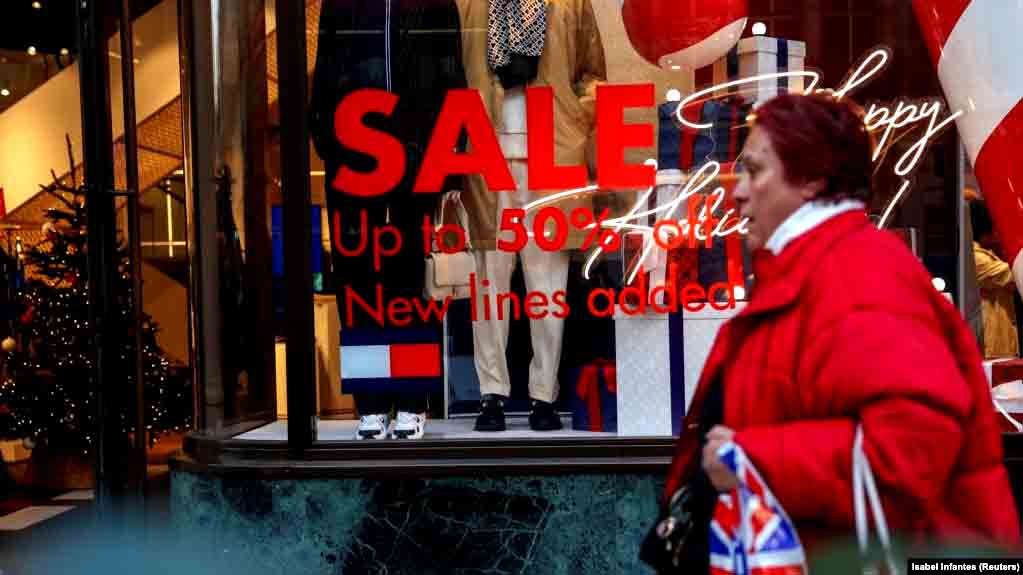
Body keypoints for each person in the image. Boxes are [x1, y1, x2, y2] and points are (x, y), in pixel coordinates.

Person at [661, 93, 1020, 570]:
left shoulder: (860, 275)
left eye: (754, 170)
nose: (737, 191)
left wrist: (750, 458)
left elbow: (910, 451)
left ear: (811, 179)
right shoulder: (813, 270)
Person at [971, 200, 1020, 359]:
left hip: (1001, 342)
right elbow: (1015, 276)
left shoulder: (988, 253)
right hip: (992, 347)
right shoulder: (976, 258)